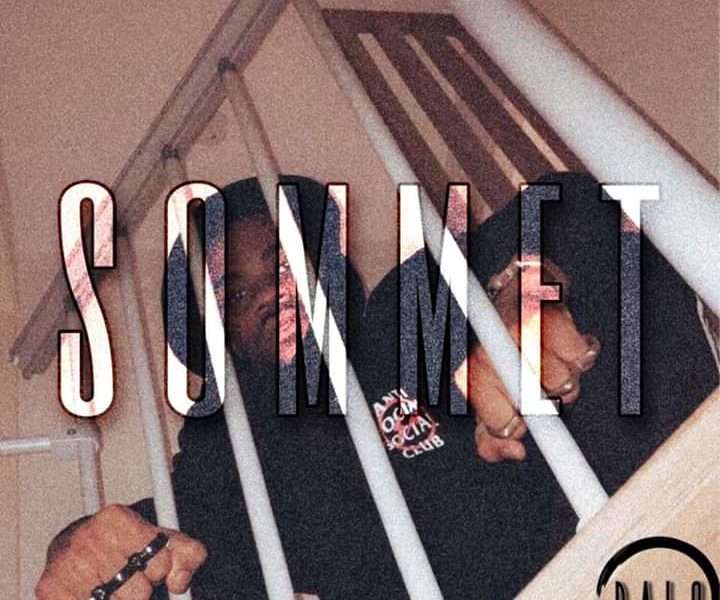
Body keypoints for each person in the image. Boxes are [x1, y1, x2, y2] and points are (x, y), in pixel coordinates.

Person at [35, 173, 718, 600]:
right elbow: (147, 536)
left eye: (285, 262)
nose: (269, 295)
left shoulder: (403, 315)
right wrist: (75, 544)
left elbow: (573, 203)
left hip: (593, 555)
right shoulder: (226, 462)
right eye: (233, 294)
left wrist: (518, 293)